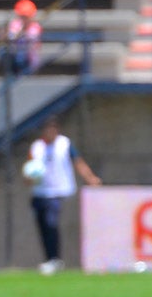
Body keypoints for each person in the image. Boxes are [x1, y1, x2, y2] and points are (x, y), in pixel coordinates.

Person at [25, 116, 101, 275]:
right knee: (43, 226)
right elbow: (29, 170)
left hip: (58, 192)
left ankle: (55, 259)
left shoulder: (64, 144)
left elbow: (78, 162)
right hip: (40, 193)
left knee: (51, 223)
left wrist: (90, 177)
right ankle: (50, 259)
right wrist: (29, 177)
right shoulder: (37, 147)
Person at [0, 0, 42, 75]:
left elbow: (32, 41)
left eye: (26, 16)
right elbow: (10, 37)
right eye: (22, 16)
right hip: (14, 54)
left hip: (28, 57)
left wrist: (23, 31)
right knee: (4, 51)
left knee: (22, 55)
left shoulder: (35, 27)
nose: (24, 19)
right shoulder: (15, 24)